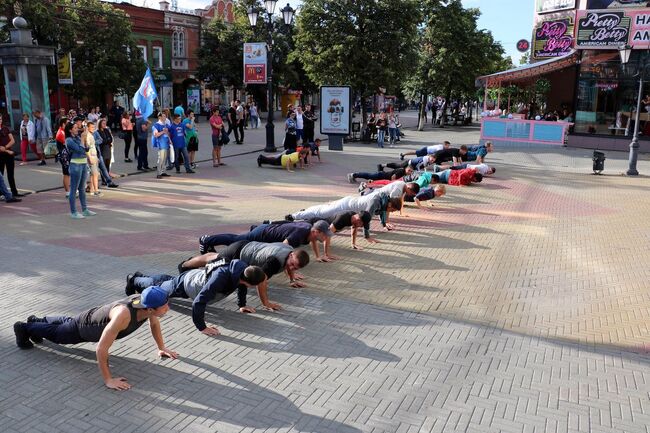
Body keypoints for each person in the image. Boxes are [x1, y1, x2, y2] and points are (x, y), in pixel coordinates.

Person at [13, 286, 175, 391]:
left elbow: (154, 324)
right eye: (164, 305)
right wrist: (108, 380)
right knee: (58, 335)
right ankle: (24, 328)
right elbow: (101, 349)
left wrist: (161, 347)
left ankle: (37, 321)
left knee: (67, 323)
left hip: (89, 316)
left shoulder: (145, 302)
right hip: (84, 328)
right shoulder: (123, 316)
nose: (168, 308)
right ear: (150, 308)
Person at [125, 260, 267, 335]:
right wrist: (202, 327)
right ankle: (134, 280)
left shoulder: (243, 271)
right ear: (247, 281)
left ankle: (142, 278)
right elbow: (199, 301)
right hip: (187, 285)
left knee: (165, 282)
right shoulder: (221, 278)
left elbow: (241, 286)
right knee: (160, 290)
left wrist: (241, 305)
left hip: (192, 279)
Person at [179, 241, 310, 289]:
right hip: (239, 253)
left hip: (247, 245)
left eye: (295, 268)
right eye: (292, 264)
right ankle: (185, 265)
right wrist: (266, 303)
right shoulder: (274, 262)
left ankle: (188, 263)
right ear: (292, 255)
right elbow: (262, 281)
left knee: (211, 256)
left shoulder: (290, 250)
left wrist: (292, 280)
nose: (292, 268)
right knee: (211, 259)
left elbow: (291, 265)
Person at [199, 220, 333, 261]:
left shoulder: (310, 231)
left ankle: (209, 241)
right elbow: (282, 249)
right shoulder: (299, 235)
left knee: (237, 240)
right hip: (263, 233)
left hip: (268, 230)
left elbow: (313, 241)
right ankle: (207, 239)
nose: (326, 237)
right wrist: (289, 270)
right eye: (324, 235)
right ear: (316, 231)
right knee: (236, 241)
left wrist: (318, 256)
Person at [290, 192, 405, 232]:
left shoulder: (383, 202)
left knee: (322, 211)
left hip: (349, 205)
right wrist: (367, 236)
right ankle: (294, 216)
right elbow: (366, 220)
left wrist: (384, 225)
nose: (392, 212)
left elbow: (382, 214)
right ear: (390, 204)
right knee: (322, 213)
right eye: (393, 210)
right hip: (345, 206)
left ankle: (304, 213)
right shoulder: (375, 201)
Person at [65, 121, 96, 218]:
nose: (77, 129)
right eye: (74, 128)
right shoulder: (69, 140)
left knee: (82, 188)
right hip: (75, 165)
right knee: (74, 189)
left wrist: (85, 139)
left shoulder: (78, 138)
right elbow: (79, 150)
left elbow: (85, 149)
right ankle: (73, 212)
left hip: (83, 164)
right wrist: (83, 139)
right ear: (70, 130)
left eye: (77, 127)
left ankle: (84, 209)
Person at [0, 115, 21, 198]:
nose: (0, 120)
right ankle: (1, 194)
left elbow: (12, 140)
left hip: (8, 154)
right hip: (1, 155)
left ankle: (14, 192)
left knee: (11, 174)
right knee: (0, 175)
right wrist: (6, 150)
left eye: (1, 119)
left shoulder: (5, 128)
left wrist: (5, 148)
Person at [83, 121, 101, 196]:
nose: (93, 128)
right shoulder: (87, 135)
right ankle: (96, 190)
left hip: (94, 155)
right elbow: (86, 148)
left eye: (94, 127)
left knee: (92, 174)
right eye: (92, 127)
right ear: (88, 127)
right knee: (95, 174)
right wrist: (89, 157)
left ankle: (92, 189)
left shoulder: (90, 134)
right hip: (91, 156)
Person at [54, 117, 71, 197]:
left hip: (65, 155)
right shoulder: (61, 133)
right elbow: (67, 143)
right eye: (68, 123)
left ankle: (69, 191)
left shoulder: (63, 131)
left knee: (67, 173)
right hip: (64, 156)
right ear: (63, 124)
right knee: (66, 173)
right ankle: (68, 192)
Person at [152, 112, 171, 179]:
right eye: (163, 116)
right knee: (161, 159)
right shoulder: (156, 125)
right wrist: (163, 132)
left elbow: (169, 133)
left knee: (165, 159)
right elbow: (156, 134)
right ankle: (159, 173)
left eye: (165, 116)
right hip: (161, 144)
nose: (165, 118)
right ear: (159, 117)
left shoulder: (166, 124)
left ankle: (163, 171)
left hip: (166, 144)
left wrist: (170, 140)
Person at [348, 166, 413, 183]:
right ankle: (353, 175)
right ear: (406, 169)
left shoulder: (403, 171)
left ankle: (354, 175)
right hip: (381, 175)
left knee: (368, 176)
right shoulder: (402, 171)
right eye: (409, 170)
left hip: (382, 175)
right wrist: (392, 183)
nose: (409, 172)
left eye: (411, 171)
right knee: (368, 176)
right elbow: (393, 176)